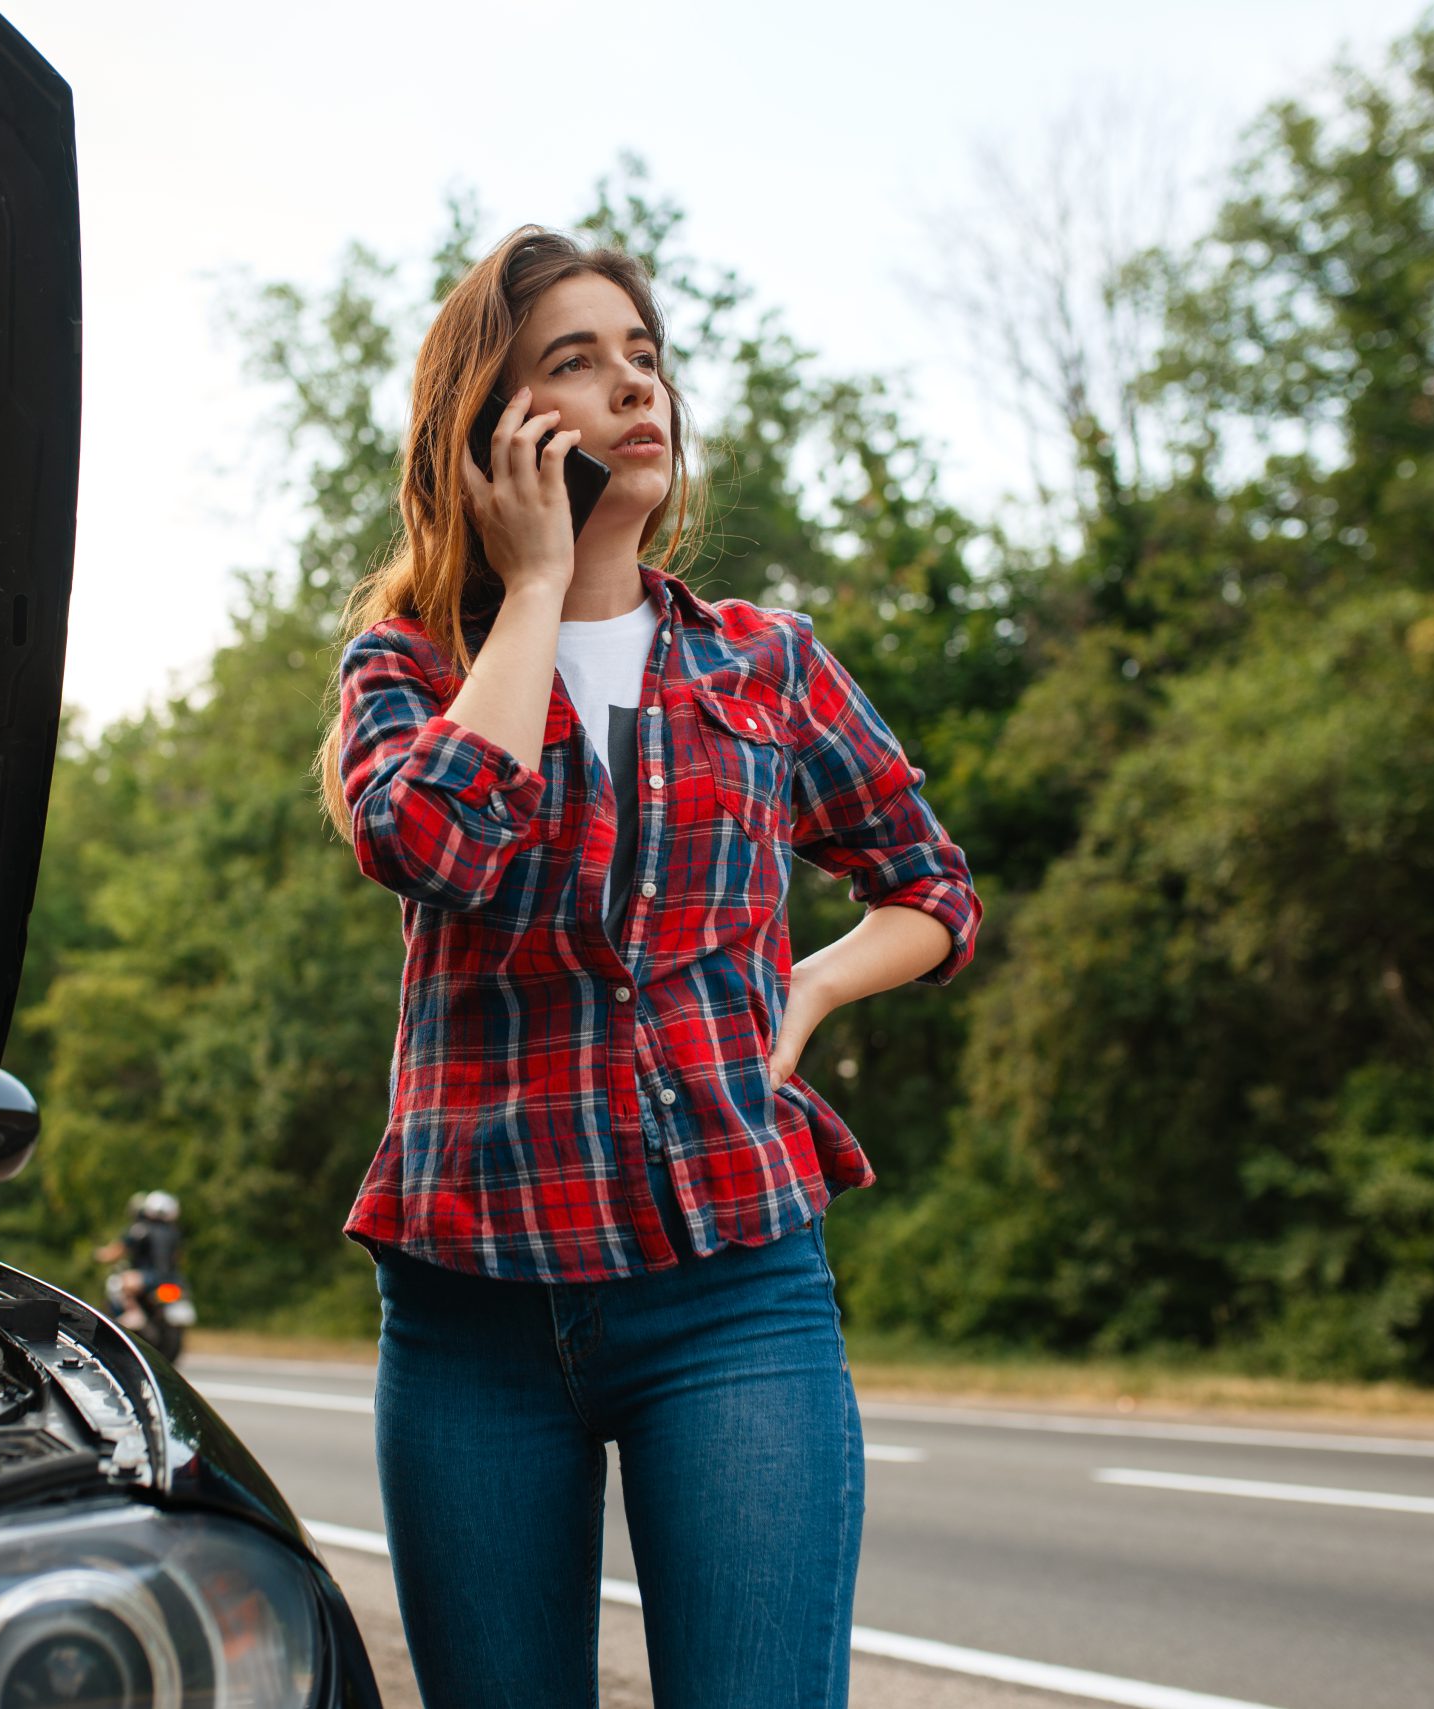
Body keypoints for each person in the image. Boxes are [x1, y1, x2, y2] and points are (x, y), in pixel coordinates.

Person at [320, 226, 981, 1709]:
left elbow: (931, 888)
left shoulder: (767, 663)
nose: (635, 389)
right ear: (491, 425)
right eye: (575, 362)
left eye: (645, 356)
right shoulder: (410, 666)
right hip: (473, 1302)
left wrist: (806, 989)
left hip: (732, 1289)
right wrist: (537, 589)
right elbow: (436, 844)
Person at [92, 1189, 181, 1332]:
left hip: (149, 1276)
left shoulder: (141, 1229)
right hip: (171, 1278)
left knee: (118, 1283)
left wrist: (100, 1255)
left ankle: (133, 1312)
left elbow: (119, 1249)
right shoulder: (174, 1232)